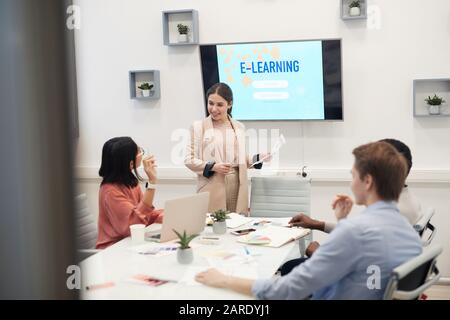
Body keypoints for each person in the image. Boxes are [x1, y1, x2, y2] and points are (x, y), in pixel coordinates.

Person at [195, 141, 422, 299]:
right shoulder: (408, 231)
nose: (351, 183)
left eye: (353, 176)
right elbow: (364, 259)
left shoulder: (355, 232)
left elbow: (287, 290)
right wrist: (342, 221)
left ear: (368, 182)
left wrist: (224, 280)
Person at [285, 139, 421, 265]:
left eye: (355, 175)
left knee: (289, 266)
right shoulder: (403, 202)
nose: (352, 183)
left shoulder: (393, 214)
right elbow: (359, 235)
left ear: (370, 179)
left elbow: (362, 269)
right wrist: (317, 224)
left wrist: (319, 254)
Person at [185, 82, 269, 214]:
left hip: (236, 185)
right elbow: (189, 159)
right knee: (215, 227)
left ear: (229, 104)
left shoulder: (239, 127)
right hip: (212, 187)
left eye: (219, 105)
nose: (213, 109)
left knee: (237, 227)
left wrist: (258, 158)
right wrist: (212, 166)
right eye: (211, 103)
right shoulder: (198, 127)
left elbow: (240, 159)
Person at [96, 137, 163, 249]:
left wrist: (169, 215)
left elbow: (145, 215)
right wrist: (152, 183)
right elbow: (134, 225)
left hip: (130, 244)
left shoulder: (130, 182)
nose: (141, 153)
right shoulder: (110, 192)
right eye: (138, 151)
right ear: (131, 164)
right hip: (113, 250)